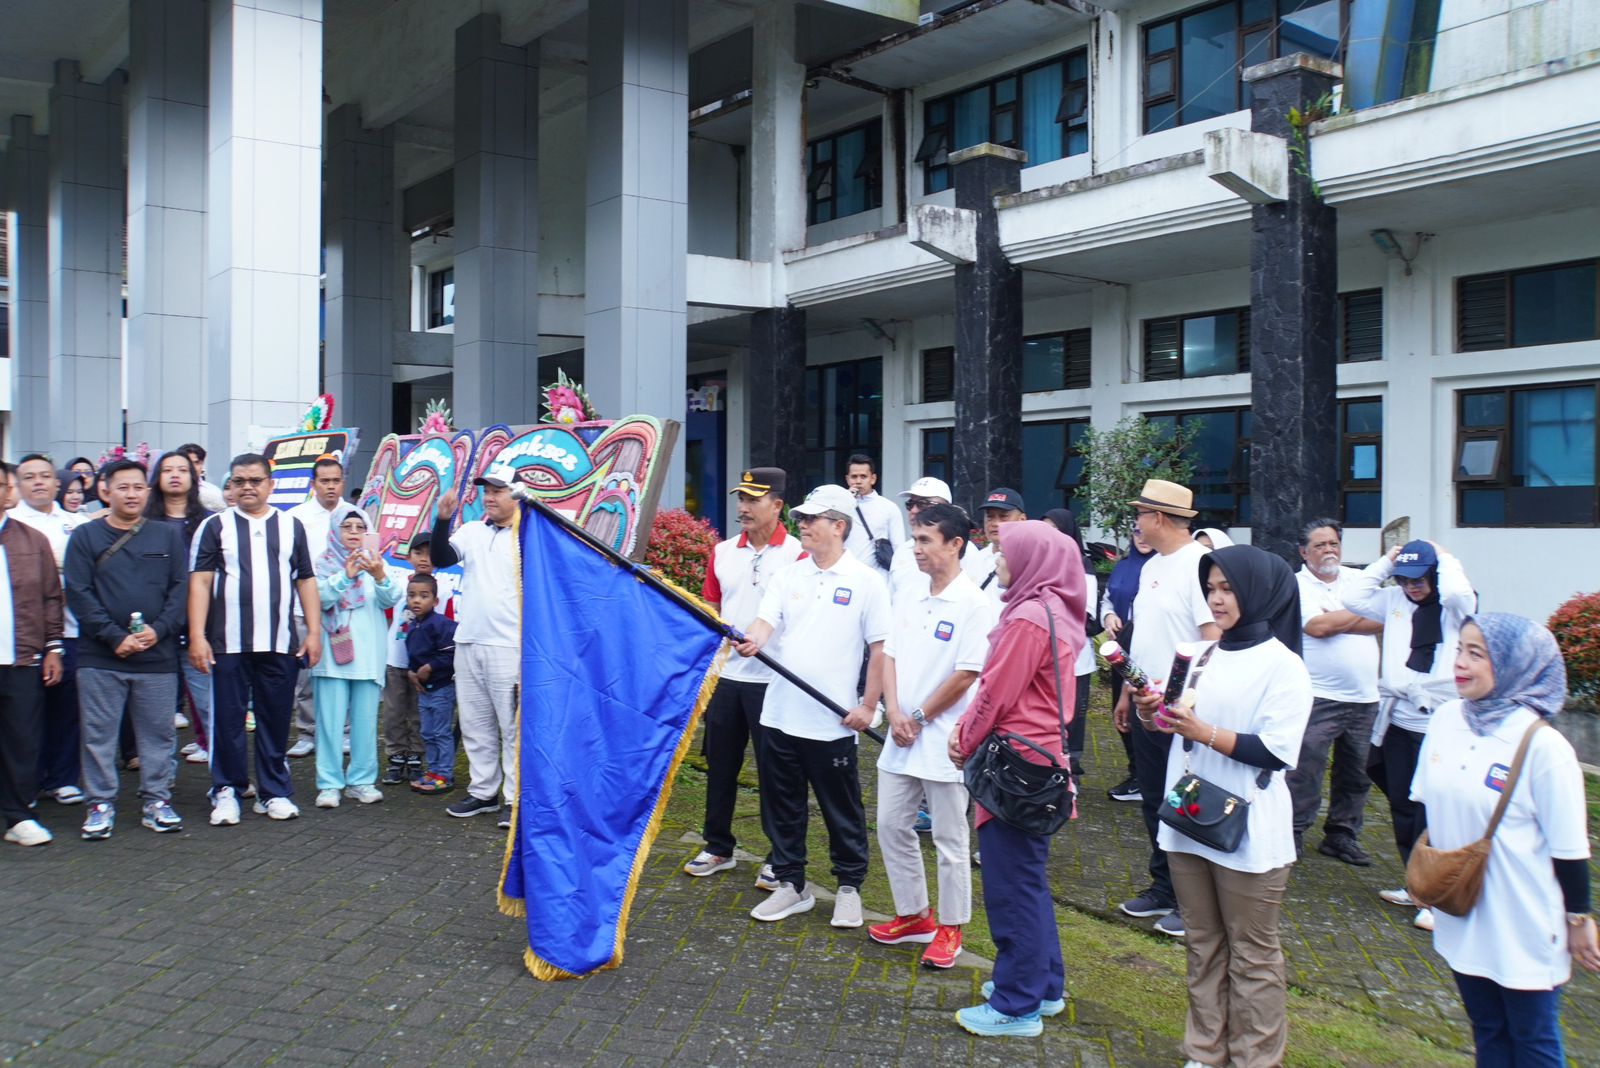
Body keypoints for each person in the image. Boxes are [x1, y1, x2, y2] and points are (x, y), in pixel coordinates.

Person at [1134, 544, 1312, 1068]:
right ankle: (1205, 1049)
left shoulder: (1285, 667)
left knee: (1252, 954)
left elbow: (1277, 751)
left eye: (1227, 588)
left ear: (1259, 592)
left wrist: (1204, 731)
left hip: (1251, 827)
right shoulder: (1197, 654)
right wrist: (1153, 716)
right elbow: (1171, 724)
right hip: (1190, 817)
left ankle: (1256, 1058)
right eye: (1211, 588)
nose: (1216, 599)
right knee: (1203, 942)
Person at [1411, 613, 1600, 1067]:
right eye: (1459, 649)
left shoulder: (1543, 746)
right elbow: (1427, 802)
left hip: (1524, 920)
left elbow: (1569, 848)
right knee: (1489, 1032)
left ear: (1518, 665)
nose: (1460, 663)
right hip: (1462, 911)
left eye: (1477, 654)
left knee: (1532, 1040)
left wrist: (1579, 919)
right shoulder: (1445, 720)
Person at [946, 520, 1085, 1037]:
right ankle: (1043, 986)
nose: (997, 561)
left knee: (1011, 888)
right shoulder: (1052, 607)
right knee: (1028, 880)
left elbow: (994, 693)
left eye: (1004, 553)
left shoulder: (1027, 616)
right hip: (1039, 761)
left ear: (1030, 561)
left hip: (1015, 767)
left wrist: (964, 736)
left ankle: (1016, 1004)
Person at [736, 484, 890, 928]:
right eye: (801, 518)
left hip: (833, 720)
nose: (802, 524)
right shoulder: (788, 576)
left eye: (813, 519)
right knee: (782, 804)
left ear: (839, 526)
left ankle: (848, 887)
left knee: (840, 808)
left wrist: (869, 705)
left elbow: (880, 649)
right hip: (781, 715)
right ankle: (791, 884)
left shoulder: (866, 582)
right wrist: (754, 639)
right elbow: (766, 622)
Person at [870, 503, 994, 968]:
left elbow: (966, 674)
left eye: (926, 540)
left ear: (956, 544)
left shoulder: (973, 604)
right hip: (902, 733)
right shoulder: (910, 595)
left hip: (945, 740)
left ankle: (951, 926)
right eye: (915, 539)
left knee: (948, 836)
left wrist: (918, 717)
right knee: (890, 824)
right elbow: (891, 656)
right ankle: (914, 914)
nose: (916, 549)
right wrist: (895, 710)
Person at [1344, 539, 1474, 931]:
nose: (1411, 586)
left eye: (1418, 579)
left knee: (1433, 808)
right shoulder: (1393, 601)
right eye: (1404, 579)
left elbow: (1459, 592)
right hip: (1399, 718)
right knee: (1401, 802)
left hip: (1440, 720)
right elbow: (1353, 597)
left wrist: (1445, 556)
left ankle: (1437, 897)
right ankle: (1415, 884)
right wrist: (1386, 561)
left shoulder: (1452, 608)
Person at [683, 467, 804, 885]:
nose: (743, 507)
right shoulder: (722, 552)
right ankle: (718, 845)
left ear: (778, 506)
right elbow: (711, 607)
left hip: (775, 679)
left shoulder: (796, 554)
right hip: (728, 677)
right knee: (720, 765)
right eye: (741, 498)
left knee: (776, 771)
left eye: (754, 500)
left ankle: (779, 854)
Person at [188, 453, 322, 825]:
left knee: (276, 717)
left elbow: (305, 580)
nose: (247, 487)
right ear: (230, 485)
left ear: (270, 484)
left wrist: (313, 632)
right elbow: (200, 582)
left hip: (279, 641)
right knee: (228, 720)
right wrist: (197, 636)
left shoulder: (291, 526)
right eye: (239, 481)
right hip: (227, 643)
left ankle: (273, 792)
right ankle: (227, 790)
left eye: (255, 480)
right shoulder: (215, 527)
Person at [1115, 479, 1220, 939]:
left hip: (1183, 709)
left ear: (1158, 518)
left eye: (1140, 513)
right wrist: (1126, 692)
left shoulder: (1199, 565)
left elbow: (1212, 638)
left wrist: (1191, 697)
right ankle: (1163, 886)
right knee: (1155, 798)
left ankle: (1191, 902)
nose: (1135, 522)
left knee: (1186, 802)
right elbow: (1145, 635)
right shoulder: (1152, 565)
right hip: (1145, 702)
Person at [64, 459, 189, 838]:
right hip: (101, 656)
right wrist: (114, 636)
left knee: (159, 734)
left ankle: (157, 800)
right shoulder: (85, 537)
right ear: (105, 490)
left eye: (138, 487)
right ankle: (100, 804)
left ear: (147, 491)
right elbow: (78, 593)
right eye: (123, 487)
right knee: (98, 733)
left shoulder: (167, 536)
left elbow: (180, 589)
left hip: (158, 655)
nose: (132, 494)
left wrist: (160, 630)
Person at [1285, 518, 1382, 864]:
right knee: (1303, 769)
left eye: (1334, 544)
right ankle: (1291, 832)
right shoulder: (1295, 585)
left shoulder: (1358, 580)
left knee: (1357, 772)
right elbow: (1318, 626)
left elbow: (1387, 618)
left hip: (1365, 696)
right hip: (1318, 696)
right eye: (1320, 545)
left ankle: (1342, 835)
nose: (1329, 550)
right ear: (1303, 551)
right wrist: (1353, 615)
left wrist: (1339, 617)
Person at [431, 469, 521, 828]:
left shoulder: (529, 537)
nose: (490, 496)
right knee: (475, 723)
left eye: (499, 490)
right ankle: (484, 791)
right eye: (487, 490)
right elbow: (441, 557)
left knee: (512, 728)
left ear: (517, 495)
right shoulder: (471, 530)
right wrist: (442, 519)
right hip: (468, 641)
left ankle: (516, 800)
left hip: (510, 646)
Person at [12, 454, 90, 805]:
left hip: (71, 629)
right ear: (18, 484)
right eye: (30, 477)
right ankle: (25, 782)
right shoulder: (10, 523)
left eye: (45, 476)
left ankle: (62, 777)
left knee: (66, 708)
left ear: (57, 483)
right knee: (24, 715)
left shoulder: (76, 523)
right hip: (21, 635)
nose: (39, 482)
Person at [310, 510, 400, 808]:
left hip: (368, 655)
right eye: (346, 526)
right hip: (331, 657)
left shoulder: (376, 563)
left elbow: (392, 598)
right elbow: (319, 599)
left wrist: (379, 575)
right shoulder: (323, 564)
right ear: (335, 530)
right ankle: (329, 783)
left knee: (364, 723)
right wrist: (344, 576)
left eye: (360, 527)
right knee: (329, 723)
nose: (352, 531)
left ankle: (361, 781)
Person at [0, 461, 67, 846]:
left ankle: (18, 815)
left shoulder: (31, 540)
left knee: (22, 739)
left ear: (9, 492)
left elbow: (50, 599)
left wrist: (53, 648)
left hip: (21, 659)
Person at [285, 457, 364, 759]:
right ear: (313, 484)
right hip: (304, 606)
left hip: (346, 608)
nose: (330, 486)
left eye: (336, 480)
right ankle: (307, 732)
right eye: (324, 481)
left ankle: (343, 731)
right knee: (306, 673)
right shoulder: (297, 517)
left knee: (343, 668)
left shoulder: (355, 515)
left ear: (343, 481)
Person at [146, 451, 216, 763]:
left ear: (193, 477)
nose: (175, 475)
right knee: (157, 712)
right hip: (155, 629)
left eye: (182, 470)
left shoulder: (209, 523)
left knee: (209, 704)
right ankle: (159, 781)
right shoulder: (145, 523)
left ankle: (226, 776)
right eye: (167, 470)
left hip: (198, 629)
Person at [380, 534, 453, 787]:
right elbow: (389, 614)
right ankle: (395, 756)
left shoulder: (443, 588)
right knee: (393, 712)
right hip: (396, 660)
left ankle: (416, 756)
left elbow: (448, 629)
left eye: (431, 553)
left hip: (425, 668)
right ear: (409, 556)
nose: (424, 558)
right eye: (418, 552)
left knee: (420, 714)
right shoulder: (399, 584)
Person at [1042, 508, 1098, 783]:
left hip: (1075, 658)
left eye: (1055, 528)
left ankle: (1069, 773)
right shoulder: (1039, 563)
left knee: (1072, 718)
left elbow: (1085, 615)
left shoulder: (1082, 566)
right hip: (1043, 657)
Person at [1101, 529, 1154, 803]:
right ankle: (1136, 773)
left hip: (1147, 650)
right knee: (1120, 711)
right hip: (1120, 649)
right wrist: (1109, 617)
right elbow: (1109, 598)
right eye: (1136, 532)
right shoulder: (1124, 565)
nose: (1142, 538)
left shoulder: (1161, 568)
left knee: (1142, 711)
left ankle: (1145, 777)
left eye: (1147, 532)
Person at [404, 573, 458, 794]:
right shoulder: (412, 626)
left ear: (435, 601)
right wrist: (411, 672)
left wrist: (430, 667)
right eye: (412, 595)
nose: (417, 600)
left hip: (442, 689)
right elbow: (413, 655)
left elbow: (452, 654)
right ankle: (433, 770)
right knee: (426, 732)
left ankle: (445, 774)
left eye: (423, 596)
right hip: (423, 690)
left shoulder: (441, 625)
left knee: (441, 732)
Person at [887, 476, 953, 604]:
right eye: (910, 504)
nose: (913, 510)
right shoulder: (902, 551)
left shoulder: (962, 550)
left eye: (922, 504)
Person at [962, 488, 1027, 606]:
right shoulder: (976, 558)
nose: (995, 523)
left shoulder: (1028, 562)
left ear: (1022, 520)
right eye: (990, 517)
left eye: (1003, 516)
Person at [843, 454, 904, 577]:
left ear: (873, 479)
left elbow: (899, 548)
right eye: (854, 477)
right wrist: (845, 501)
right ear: (847, 479)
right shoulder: (840, 507)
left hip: (879, 578)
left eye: (863, 476)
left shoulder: (889, 507)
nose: (858, 481)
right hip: (845, 576)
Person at [177, 443, 227, 512]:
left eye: (197, 463)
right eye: (189, 463)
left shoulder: (212, 492)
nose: (193, 467)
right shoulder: (172, 489)